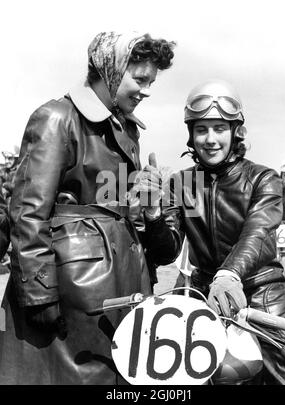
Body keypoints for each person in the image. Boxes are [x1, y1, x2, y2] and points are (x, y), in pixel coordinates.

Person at [0, 31, 175, 385]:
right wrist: (38, 296)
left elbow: (115, 208)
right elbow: (27, 212)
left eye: (150, 82)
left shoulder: (126, 128)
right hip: (69, 294)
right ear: (108, 69)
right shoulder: (57, 118)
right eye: (139, 79)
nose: (146, 90)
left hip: (116, 289)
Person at [140, 79, 285, 384]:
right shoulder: (181, 183)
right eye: (201, 129)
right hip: (204, 300)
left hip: (264, 296)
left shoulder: (264, 179)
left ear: (235, 132)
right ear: (191, 134)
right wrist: (153, 215)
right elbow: (166, 252)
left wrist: (228, 276)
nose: (210, 139)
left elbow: (255, 234)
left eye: (219, 128)